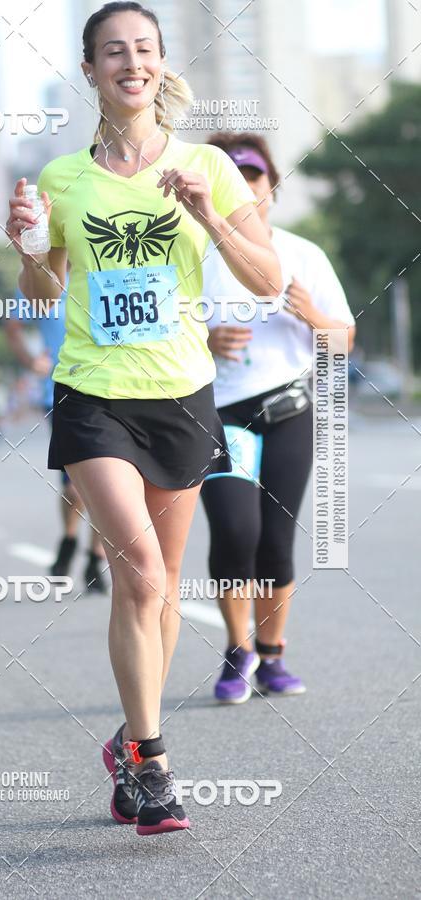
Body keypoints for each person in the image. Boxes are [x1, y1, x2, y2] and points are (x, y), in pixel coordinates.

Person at [5, 1, 281, 835]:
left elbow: (267, 278)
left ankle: (128, 738)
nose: (131, 63)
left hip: (182, 393)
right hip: (93, 392)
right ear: (89, 70)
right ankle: (154, 765)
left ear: (160, 64)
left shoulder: (209, 165)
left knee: (161, 591)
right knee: (145, 579)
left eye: (145, 49)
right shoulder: (61, 179)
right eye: (113, 52)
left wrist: (205, 215)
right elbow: (44, 292)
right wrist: (25, 253)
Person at [200, 133, 356, 704]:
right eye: (232, 177)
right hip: (219, 415)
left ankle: (271, 656)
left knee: (276, 540)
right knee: (236, 532)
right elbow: (164, 336)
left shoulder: (303, 254)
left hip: (288, 410)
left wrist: (312, 313)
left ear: (272, 186)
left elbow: (342, 342)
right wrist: (206, 337)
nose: (245, 187)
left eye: (255, 176)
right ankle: (236, 649)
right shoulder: (194, 256)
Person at [5, 287, 107, 593]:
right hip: (62, 394)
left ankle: (95, 556)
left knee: (109, 486)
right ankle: (70, 537)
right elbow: (12, 327)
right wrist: (30, 359)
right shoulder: (43, 281)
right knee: (74, 489)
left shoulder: (103, 273)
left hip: (111, 390)